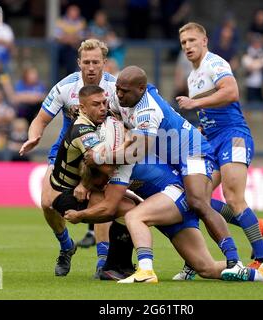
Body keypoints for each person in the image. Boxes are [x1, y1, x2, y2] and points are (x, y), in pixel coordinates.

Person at [85, 65, 248, 279]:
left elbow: (135, 152)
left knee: (198, 202)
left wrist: (99, 157)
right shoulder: (122, 98)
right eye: (118, 89)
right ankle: (252, 271)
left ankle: (234, 259)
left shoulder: (148, 110)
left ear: (141, 89)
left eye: (125, 90)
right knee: (190, 207)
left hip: (193, 152)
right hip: (171, 162)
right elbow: (109, 113)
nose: (119, 94)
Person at [65, 137, 263, 283]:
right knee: (206, 268)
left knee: (136, 216)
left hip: (177, 194)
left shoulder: (120, 163)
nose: (103, 185)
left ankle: (145, 271)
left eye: (100, 181)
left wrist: (79, 215)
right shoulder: (114, 165)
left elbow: (109, 208)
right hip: (169, 204)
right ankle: (261, 274)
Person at [176, 22, 263, 275]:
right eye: (183, 42)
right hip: (212, 140)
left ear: (205, 41)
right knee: (198, 200)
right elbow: (208, 110)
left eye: (192, 40)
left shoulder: (215, 63)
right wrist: (199, 129)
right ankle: (250, 223)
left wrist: (193, 103)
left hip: (233, 136)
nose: (187, 46)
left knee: (233, 197)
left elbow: (231, 92)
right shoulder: (192, 76)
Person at [19, 39, 118, 277]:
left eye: (96, 62)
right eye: (86, 62)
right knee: (46, 203)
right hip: (66, 154)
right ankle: (66, 246)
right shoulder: (65, 87)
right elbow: (40, 120)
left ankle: (103, 261)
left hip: (100, 154)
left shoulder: (115, 88)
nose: (91, 67)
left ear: (104, 62)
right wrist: (34, 137)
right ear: (79, 63)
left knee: (101, 204)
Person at [47, 84, 135, 280]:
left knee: (132, 207)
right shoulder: (82, 130)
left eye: (104, 103)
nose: (103, 108)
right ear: (83, 108)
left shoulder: (97, 122)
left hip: (82, 188)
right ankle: (110, 267)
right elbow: (107, 167)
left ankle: (122, 266)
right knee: (127, 210)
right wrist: (131, 143)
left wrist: (86, 183)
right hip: (67, 195)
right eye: (96, 105)